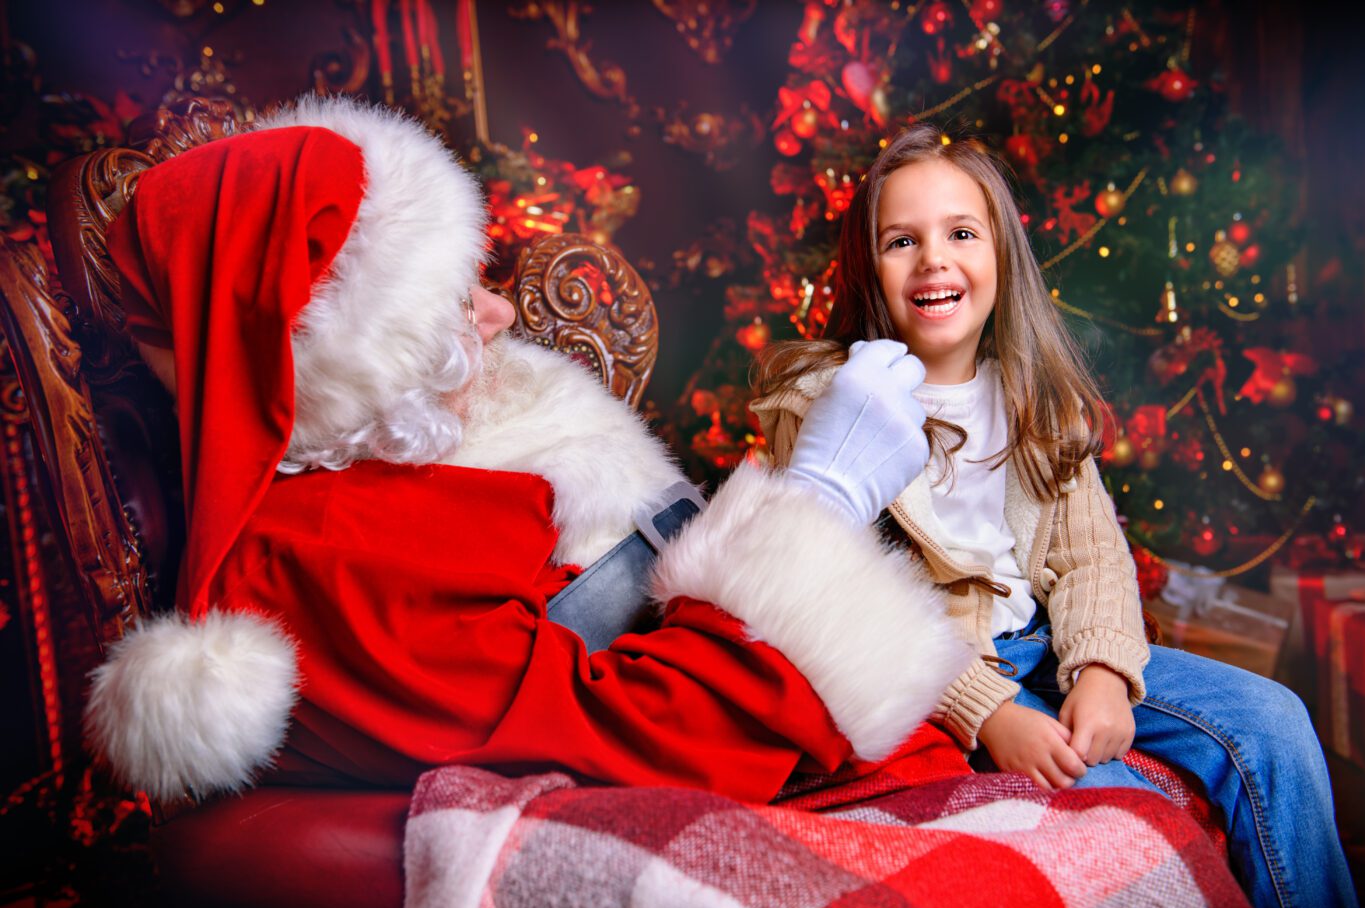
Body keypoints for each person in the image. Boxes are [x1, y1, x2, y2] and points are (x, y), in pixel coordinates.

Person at [82, 95, 975, 813]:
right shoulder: (331, 563)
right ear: (346, 360)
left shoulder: (410, 453)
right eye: (453, 303)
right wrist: (823, 496)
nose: (502, 314)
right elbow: (640, 747)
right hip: (780, 794)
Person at [750, 124, 1360, 908]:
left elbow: (1090, 556)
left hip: (1036, 642)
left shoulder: (1034, 398)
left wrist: (1102, 668)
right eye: (903, 241)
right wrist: (989, 712)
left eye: (961, 234)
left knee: (1274, 718)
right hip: (939, 671)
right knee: (1128, 809)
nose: (935, 259)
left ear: (1001, 259)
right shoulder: (830, 405)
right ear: (870, 270)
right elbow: (849, 604)